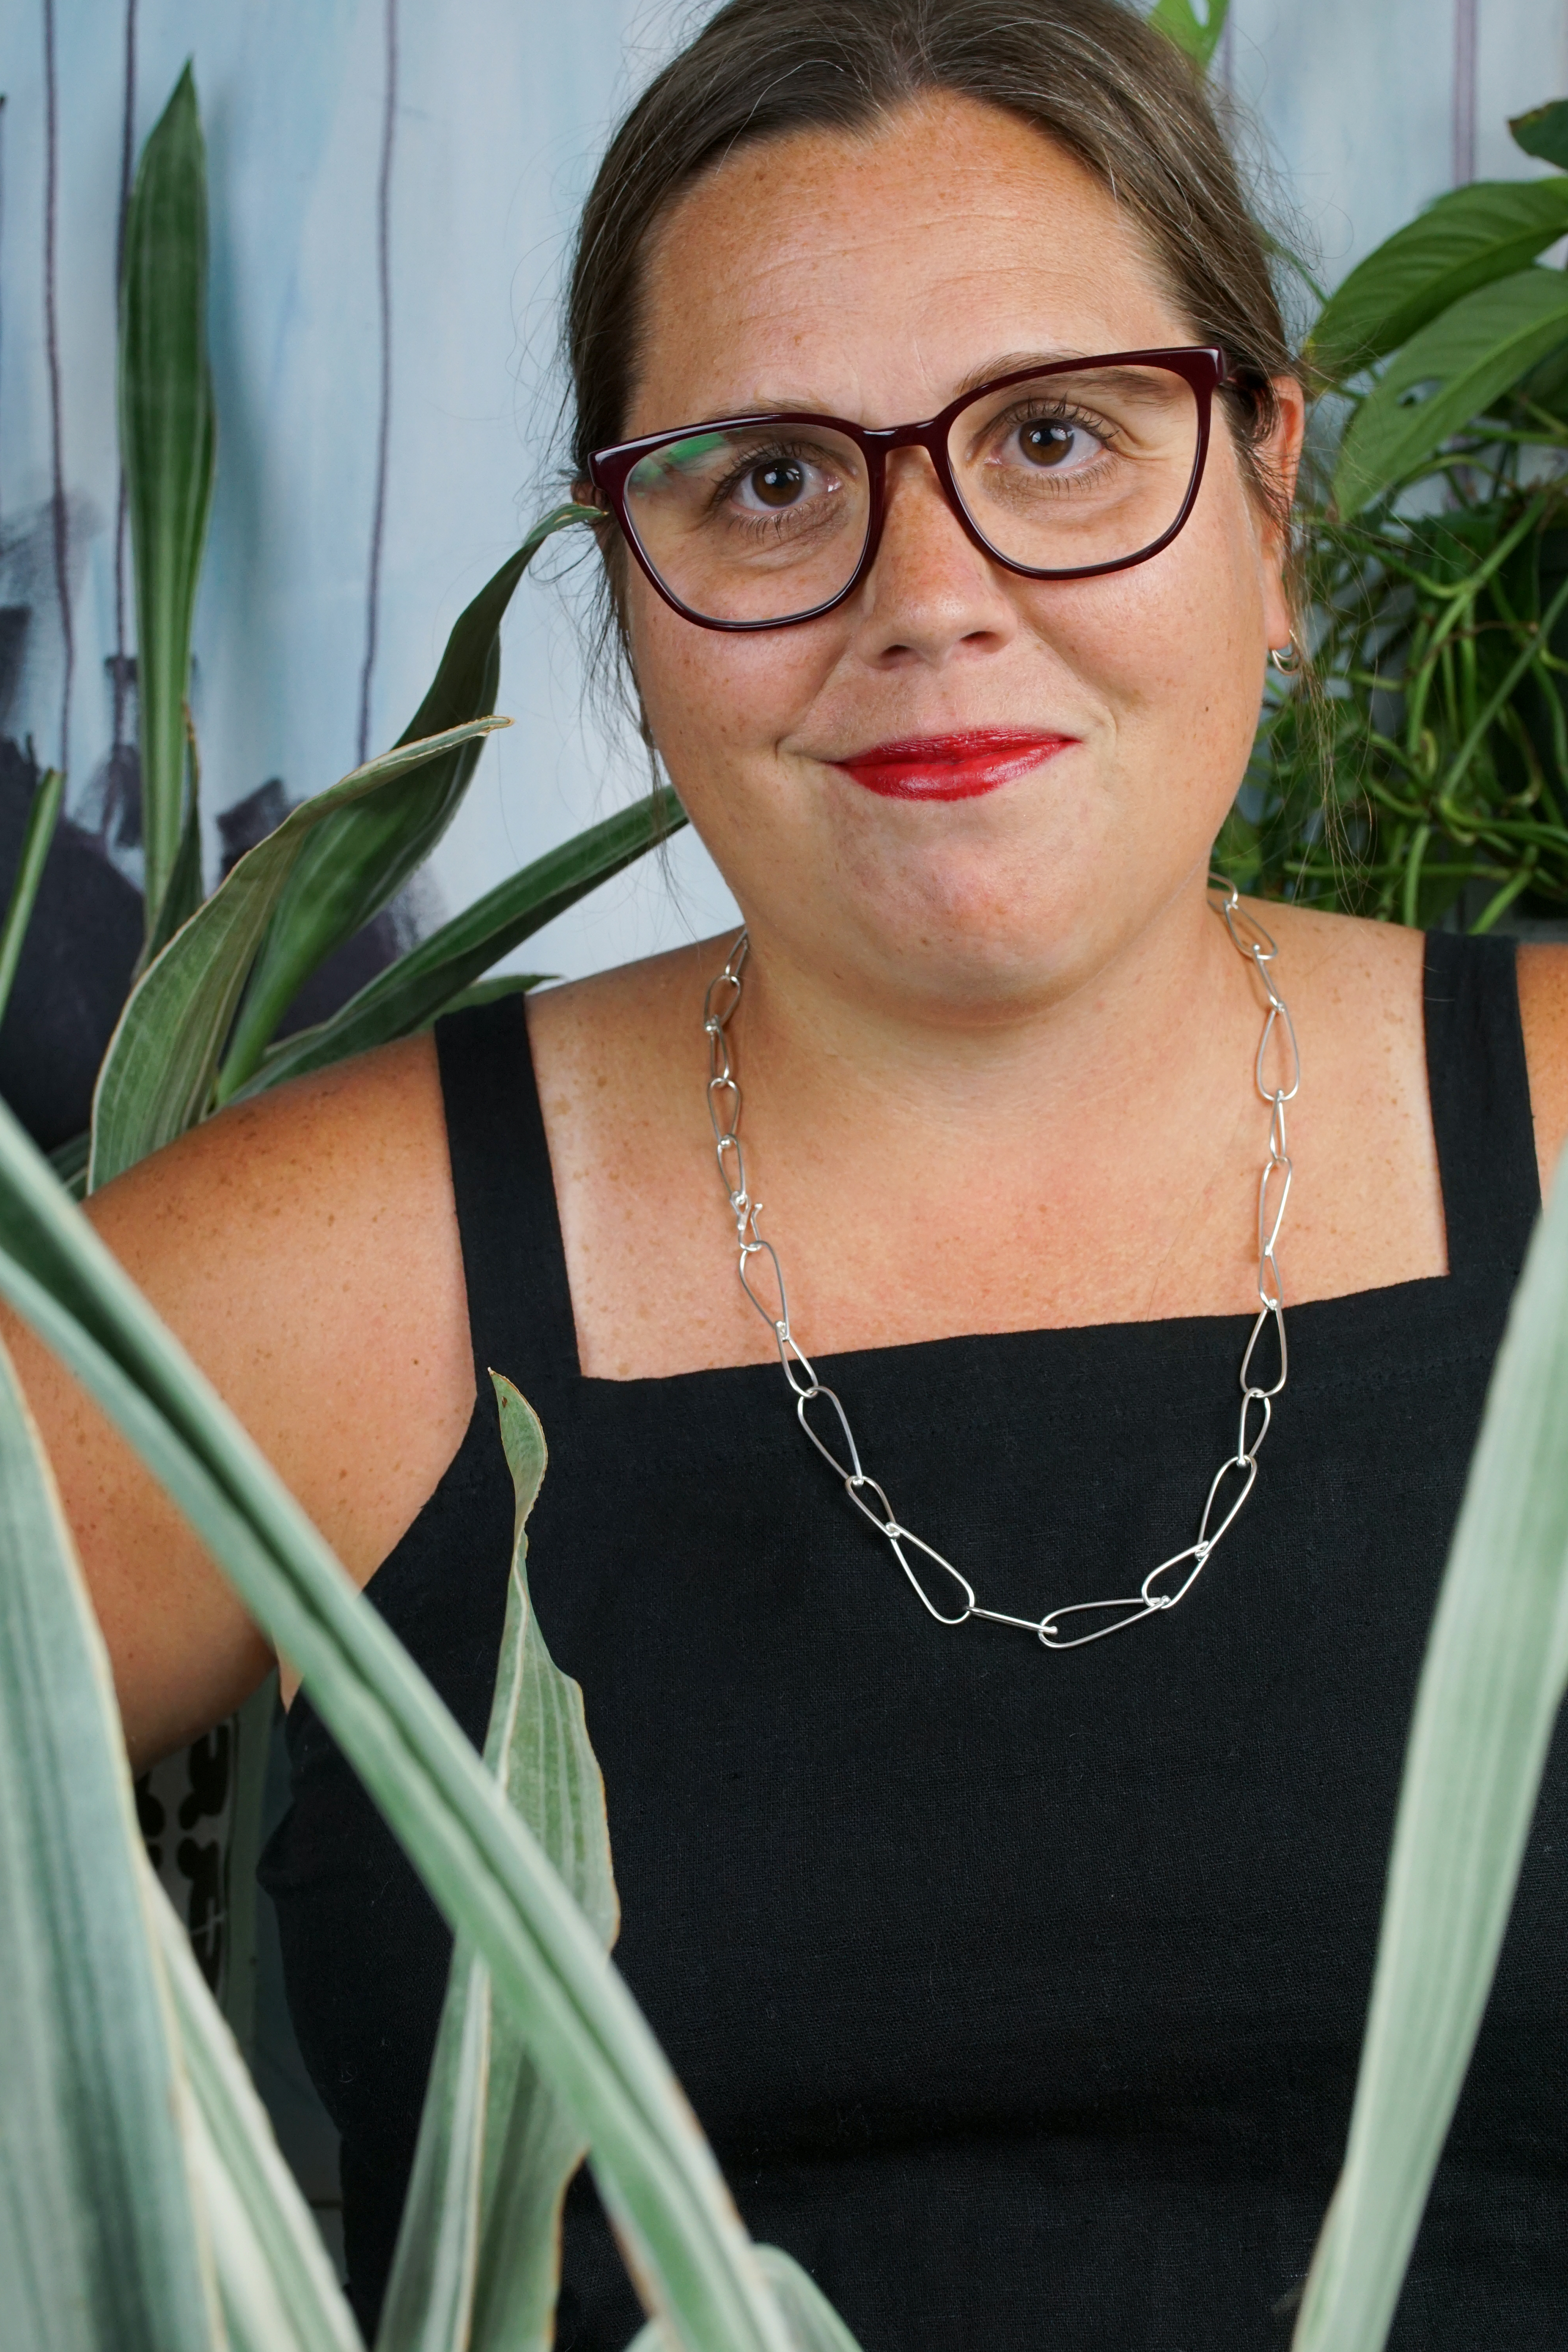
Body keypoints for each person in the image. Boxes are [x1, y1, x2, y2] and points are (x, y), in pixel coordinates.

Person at [13, 0, 1568, 2342]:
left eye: (1057, 436)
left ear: (1269, 496)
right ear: (627, 589)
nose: (925, 591)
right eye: (768, 478)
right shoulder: (343, 1273)